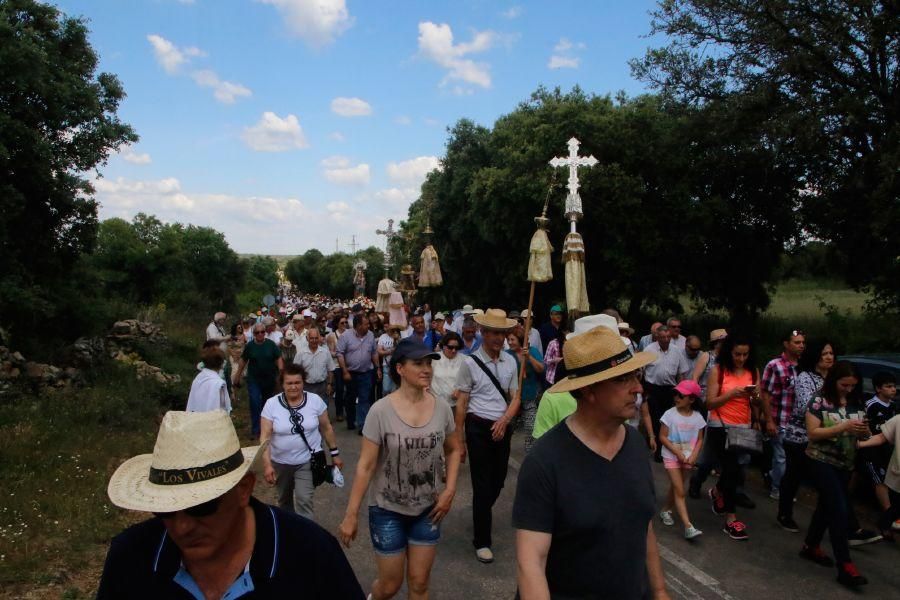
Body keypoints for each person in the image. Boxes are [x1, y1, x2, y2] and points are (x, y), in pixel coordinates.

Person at [97, 410, 364, 599]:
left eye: (201, 506)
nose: (181, 526)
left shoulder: (311, 555)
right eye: (165, 510)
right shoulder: (131, 558)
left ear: (243, 490)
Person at [513, 326, 669, 599]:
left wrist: (659, 590)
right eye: (622, 379)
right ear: (589, 391)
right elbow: (531, 564)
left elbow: (643, 524)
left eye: (636, 375)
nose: (638, 387)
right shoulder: (545, 462)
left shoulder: (634, 444)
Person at [338, 338, 461, 600]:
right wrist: (351, 514)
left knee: (419, 584)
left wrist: (449, 489)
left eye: (429, 363)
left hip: (429, 510)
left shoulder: (441, 409)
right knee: (390, 585)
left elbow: (454, 449)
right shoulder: (380, 411)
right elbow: (365, 465)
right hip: (386, 510)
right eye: (418, 363)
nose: (426, 369)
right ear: (400, 369)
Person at [454, 309, 520, 563]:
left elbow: (516, 397)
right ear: (483, 333)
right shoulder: (469, 363)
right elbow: (461, 403)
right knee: (481, 485)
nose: (498, 338)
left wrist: (504, 420)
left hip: (502, 427)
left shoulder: (511, 361)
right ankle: (482, 540)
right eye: (493, 333)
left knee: (499, 480)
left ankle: (481, 512)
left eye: (502, 333)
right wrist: (459, 440)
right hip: (478, 427)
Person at [800, 361, 872, 587]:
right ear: (834, 381)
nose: (848, 389)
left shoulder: (856, 401)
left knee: (826, 506)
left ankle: (811, 546)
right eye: (844, 385)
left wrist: (864, 431)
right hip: (820, 460)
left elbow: (865, 436)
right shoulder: (819, 400)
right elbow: (812, 433)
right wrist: (843, 427)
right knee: (839, 510)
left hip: (846, 462)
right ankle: (845, 566)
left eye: (853, 386)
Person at [260, 364, 342, 520]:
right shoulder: (271, 404)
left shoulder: (315, 401)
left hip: (306, 461)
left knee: (304, 500)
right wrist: (267, 465)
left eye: (297, 382)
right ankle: (290, 532)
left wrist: (335, 454)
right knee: (284, 501)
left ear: (303, 382)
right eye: (289, 383)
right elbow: (265, 437)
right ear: (282, 384)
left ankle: (306, 536)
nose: (293, 387)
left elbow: (327, 428)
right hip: (280, 462)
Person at [704, 335, 760, 541]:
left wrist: (754, 397)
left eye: (745, 354)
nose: (741, 358)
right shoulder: (718, 371)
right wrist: (731, 394)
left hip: (742, 425)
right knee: (732, 468)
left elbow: (758, 401)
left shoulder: (753, 372)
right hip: (721, 425)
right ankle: (731, 518)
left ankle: (718, 491)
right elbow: (709, 403)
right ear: (729, 352)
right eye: (737, 354)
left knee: (736, 469)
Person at [778, 339, 835, 531]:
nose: (829, 357)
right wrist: (831, 412)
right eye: (825, 353)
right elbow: (804, 406)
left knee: (826, 482)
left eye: (831, 354)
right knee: (794, 476)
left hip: (824, 436)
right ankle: (784, 513)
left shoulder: (834, 379)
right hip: (800, 436)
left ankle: (847, 526)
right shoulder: (805, 377)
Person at [761, 329, 806, 500]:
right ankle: (777, 488)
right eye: (797, 342)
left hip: (798, 423)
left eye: (803, 342)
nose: (801, 346)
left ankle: (774, 477)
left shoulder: (804, 367)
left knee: (793, 460)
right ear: (786, 344)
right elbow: (765, 394)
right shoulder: (775, 366)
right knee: (781, 458)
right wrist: (769, 421)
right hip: (779, 419)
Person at [658, 380, 706, 540]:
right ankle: (688, 526)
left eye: (681, 395)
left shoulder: (698, 418)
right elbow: (662, 437)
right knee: (680, 489)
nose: (676, 398)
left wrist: (693, 456)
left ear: (692, 399)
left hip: (687, 458)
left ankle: (665, 510)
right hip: (671, 456)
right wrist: (676, 452)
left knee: (676, 486)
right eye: (676, 394)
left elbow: (700, 439)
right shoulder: (669, 414)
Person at [643, 325, 692, 461]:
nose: (666, 340)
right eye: (663, 337)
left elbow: (681, 373)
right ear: (657, 337)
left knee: (668, 420)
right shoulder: (649, 350)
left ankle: (665, 448)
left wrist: (681, 392)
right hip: (653, 388)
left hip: (669, 390)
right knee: (655, 418)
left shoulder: (677, 351)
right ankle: (656, 448)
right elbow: (642, 370)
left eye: (668, 337)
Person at [233, 323, 284, 440]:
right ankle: (256, 430)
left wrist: (281, 373)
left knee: (267, 405)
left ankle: (266, 428)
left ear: (265, 333)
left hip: (269, 379)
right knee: (255, 402)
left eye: (262, 332)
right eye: (257, 332)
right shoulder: (250, 346)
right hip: (254, 379)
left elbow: (279, 358)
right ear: (254, 334)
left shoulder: (271, 345)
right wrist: (237, 375)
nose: (260, 334)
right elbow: (243, 361)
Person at [863, 371, 899, 533]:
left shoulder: (893, 406)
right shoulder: (871, 405)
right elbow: (865, 424)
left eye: (894, 386)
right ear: (878, 388)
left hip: (886, 449)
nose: (893, 390)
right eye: (888, 386)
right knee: (879, 480)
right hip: (871, 448)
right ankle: (887, 516)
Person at [337, 314, 381, 433]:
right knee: (350, 398)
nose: (368, 326)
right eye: (366, 324)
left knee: (364, 398)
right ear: (358, 325)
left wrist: (377, 368)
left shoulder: (370, 335)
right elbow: (340, 354)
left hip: (366, 372)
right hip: (350, 373)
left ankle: (363, 426)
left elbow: (374, 353)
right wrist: (345, 371)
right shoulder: (345, 336)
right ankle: (351, 421)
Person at [859, 413, 900, 539]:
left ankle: (884, 523)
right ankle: (884, 524)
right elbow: (882, 437)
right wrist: (860, 444)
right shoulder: (898, 419)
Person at [506, 327, 544, 453]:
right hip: (512, 398)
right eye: (508, 339)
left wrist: (528, 358)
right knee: (508, 426)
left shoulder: (532, 351)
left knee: (530, 427)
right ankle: (503, 450)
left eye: (512, 339)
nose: (509, 342)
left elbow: (541, 369)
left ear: (521, 340)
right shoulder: (506, 355)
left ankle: (531, 454)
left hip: (530, 395)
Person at [295, 327, 335, 401]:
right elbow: (295, 371)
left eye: (316, 338)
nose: (314, 340)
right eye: (311, 338)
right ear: (307, 339)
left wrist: (329, 384)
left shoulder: (325, 352)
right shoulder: (301, 353)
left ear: (319, 338)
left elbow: (330, 369)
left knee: (323, 409)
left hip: (322, 387)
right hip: (306, 387)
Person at [186, 345, 230, 413]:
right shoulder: (219, 383)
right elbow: (222, 406)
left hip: (195, 418)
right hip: (212, 420)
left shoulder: (198, 378)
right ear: (221, 364)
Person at [430, 331, 464, 410]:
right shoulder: (434, 358)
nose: (454, 350)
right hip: (435, 404)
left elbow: (469, 381)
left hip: (455, 405)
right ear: (444, 346)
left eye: (457, 348)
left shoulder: (465, 360)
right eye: (450, 347)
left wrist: (460, 390)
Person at [327, 315, 349, 422]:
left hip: (349, 365)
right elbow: (330, 352)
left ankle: (349, 411)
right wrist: (340, 354)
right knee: (340, 389)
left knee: (349, 389)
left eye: (346, 322)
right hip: (337, 366)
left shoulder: (350, 334)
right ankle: (339, 412)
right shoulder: (332, 336)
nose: (345, 324)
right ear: (337, 324)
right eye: (342, 323)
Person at [377, 323, 404, 396]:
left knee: (396, 388)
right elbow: (379, 351)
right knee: (386, 388)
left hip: (397, 366)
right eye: (385, 326)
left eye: (388, 326)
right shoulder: (383, 337)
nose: (387, 328)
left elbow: (402, 350)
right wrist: (389, 352)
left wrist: (397, 339)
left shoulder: (399, 335)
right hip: (387, 365)